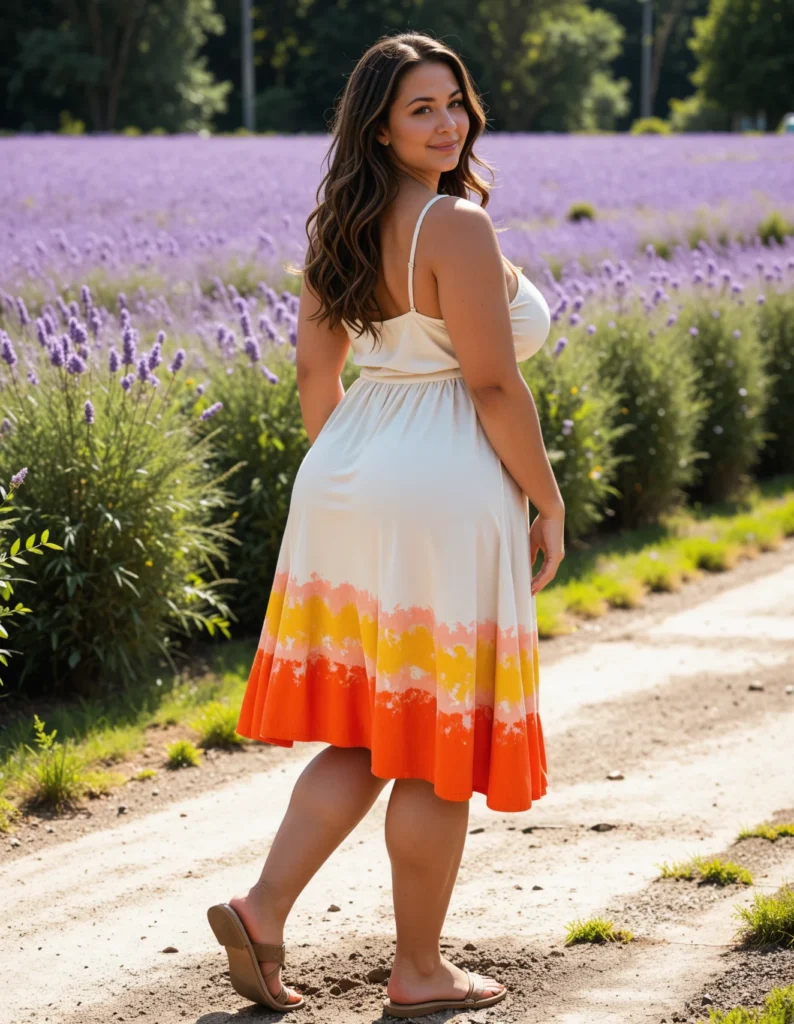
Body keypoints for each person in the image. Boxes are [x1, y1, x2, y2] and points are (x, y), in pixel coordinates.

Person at [207, 29, 565, 1019]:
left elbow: (314, 379)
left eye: (454, 101)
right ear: (379, 123)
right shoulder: (451, 226)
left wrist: (354, 474)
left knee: (372, 727)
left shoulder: (336, 223)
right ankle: (417, 970)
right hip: (442, 483)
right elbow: (490, 383)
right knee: (436, 733)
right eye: (421, 108)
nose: (446, 120)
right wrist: (545, 496)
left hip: (345, 478)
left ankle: (261, 906)